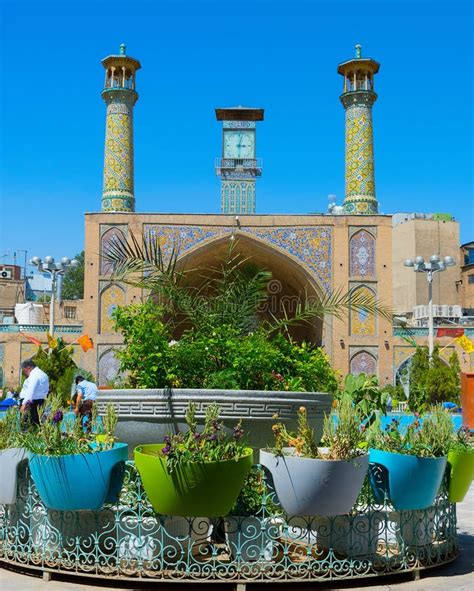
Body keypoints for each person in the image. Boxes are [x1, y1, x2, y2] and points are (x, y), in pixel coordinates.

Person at [19, 359, 49, 425]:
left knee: (27, 425)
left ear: (28, 367)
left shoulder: (34, 375)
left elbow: (30, 390)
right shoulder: (43, 374)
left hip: (31, 403)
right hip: (40, 401)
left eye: (24, 370)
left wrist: (24, 404)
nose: (24, 373)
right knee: (38, 423)